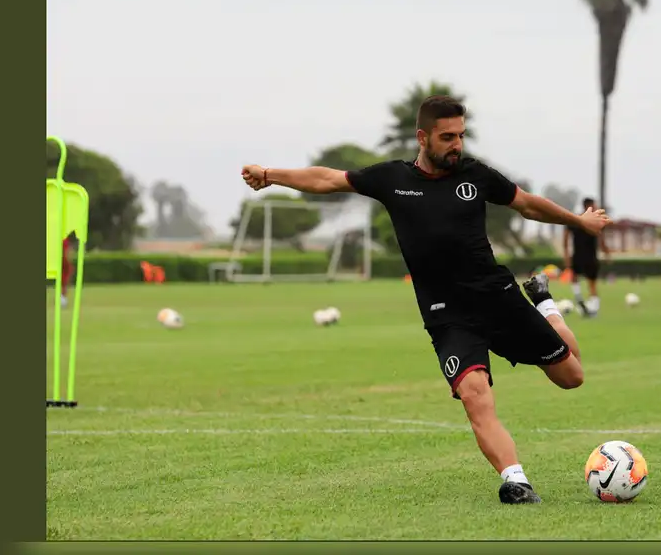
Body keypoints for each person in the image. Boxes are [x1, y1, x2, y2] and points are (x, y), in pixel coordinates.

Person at [240, 95, 611, 505]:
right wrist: (270, 175)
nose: (457, 145)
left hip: (498, 299)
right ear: (422, 137)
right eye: (447, 137)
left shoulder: (476, 175)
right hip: (447, 315)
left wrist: (578, 221)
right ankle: (516, 481)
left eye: (461, 136)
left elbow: (527, 204)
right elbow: (327, 179)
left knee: (571, 376)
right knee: (474, 394)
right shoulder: (392, 179)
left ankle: (546, 305)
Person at [563, 197, 610, 317]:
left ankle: (588, 306)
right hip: (585, 257)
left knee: (586, 281)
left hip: (585, 256)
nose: (596, 207)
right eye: (594, 205)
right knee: (583, 280)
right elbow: (566, 238)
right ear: (588, 206)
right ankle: (584, 305)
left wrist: (606, 252)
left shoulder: (577, 220)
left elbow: (601, 238)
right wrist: (566, 255)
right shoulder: (581, 220)